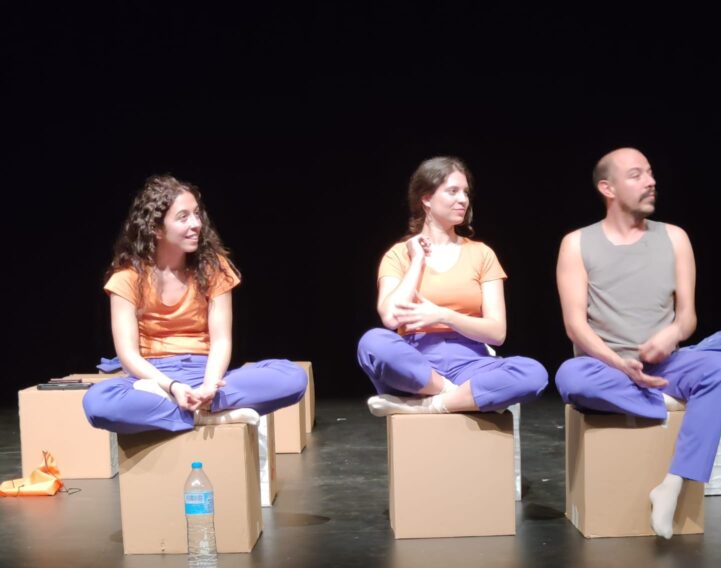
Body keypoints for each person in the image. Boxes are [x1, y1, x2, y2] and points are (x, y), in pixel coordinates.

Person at [554, 147, 721, 539]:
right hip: (605, 366)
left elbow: (687, 317)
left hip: (663, 365)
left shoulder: (675, 237)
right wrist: (619, 364)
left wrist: (671, 334)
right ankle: (661, 402)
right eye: (636, 174)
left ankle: (673, 483)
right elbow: (575, 326)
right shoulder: (577, 243)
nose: (650, 181)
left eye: (651, 173)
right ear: (608, 188)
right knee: (570, 378)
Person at [83, 175, 307, 433]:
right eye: (183, 217)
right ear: (156, 229)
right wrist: (173, 387)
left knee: (293, 377)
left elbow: (221, 340)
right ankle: (206, 413)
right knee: (97, 403)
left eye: (197, 215)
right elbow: (128, 355)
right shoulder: (127, 278)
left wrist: (210, 386)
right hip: (155, 382)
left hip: (206, 372)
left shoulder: (213, 268)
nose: (196, 224)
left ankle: (201, 406)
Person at [357, 156, 548, 415]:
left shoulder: (481, 253)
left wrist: (444, 316)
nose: (463, 200)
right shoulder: (398, 255)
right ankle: (455, 395)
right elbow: (391, 318)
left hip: (470, 362)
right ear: (426, 198)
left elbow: (497, 333)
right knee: (372, 343)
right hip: (416, 365)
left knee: (533, 374)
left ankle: (429, 405)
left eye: (465, 192)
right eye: (453, 191)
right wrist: (417, 260)